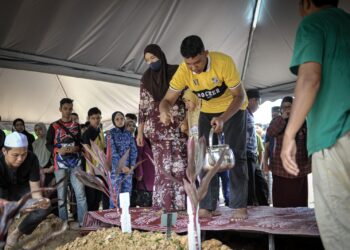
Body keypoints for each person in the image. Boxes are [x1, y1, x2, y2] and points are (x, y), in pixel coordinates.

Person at [281, 0, 350, 249]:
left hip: (334, 135)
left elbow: (310, 78)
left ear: (306, 3)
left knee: (340, 229)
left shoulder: (313, 23)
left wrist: (289, 134)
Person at [159, 35, 248, 219]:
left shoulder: (223, 62)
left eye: (197, 62)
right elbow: (167, 100)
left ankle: (239, 206)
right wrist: (164, 110)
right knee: (204, 157)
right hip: (207, 111)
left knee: (236, 154)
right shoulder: (185, 70)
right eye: (189, 64)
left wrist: (223, 118)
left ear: (205, 53)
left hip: (234, 108)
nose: (194, 68)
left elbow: (239, 96)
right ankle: (207, 205)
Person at [137, 44, 187, 212]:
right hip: (155, 130)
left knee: (179, 165)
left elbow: (188, 98)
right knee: (162, 167)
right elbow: (143, 107)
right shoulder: (146, 78)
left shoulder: (176, 72)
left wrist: (187, 120)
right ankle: (163, 205)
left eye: (153, 58)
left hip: (176, 127)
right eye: (147, 60)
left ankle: (181, 205)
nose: (151, 62)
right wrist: (140, 131)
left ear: (161, 55)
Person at [0, 132, 50, 249]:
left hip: (22, 190)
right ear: (4, 151)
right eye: (15, 155)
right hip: (2, 193)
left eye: (24, 154)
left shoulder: (32, 158)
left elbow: (35, 190)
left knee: (44, 208)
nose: (20, 159)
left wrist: (41, 201)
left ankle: (16, 234)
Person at [46, 98, 87, 226]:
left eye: (70, 109)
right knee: (61, 196)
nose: (68, 111)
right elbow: (48, 144)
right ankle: (63, 225)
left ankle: (83, 222)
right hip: (60, 164)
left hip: (76, 163)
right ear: (60, 109)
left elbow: (81, 144)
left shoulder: (76, 126)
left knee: (80, 194)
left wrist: (77, 148)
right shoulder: (53, 126)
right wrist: (58, 150)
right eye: (65, 109)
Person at [267, 96, 311, 207]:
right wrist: (283, 118)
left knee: (299, 202)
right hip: (280, 169)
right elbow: (271, 132)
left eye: (289, 106)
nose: (287, 109)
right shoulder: (277, 120)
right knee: (281, 203)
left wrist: (309, 162)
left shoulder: (302, 121)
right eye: (284, 107)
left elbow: (309, 140)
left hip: (299, 168)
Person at [107, 111, 137, 208]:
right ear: (113, 121)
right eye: (117, 119)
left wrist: (132, 166)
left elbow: (133, 150)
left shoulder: (129, 134)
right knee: (115, 196)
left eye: (121, 118)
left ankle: (125, 219)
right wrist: (121, 166)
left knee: (126, 194)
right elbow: (113, 152)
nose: (120, 121)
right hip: (116, 170)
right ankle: (114, 220)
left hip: (128, 169)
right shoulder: (110, 134)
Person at [82, 107, 109, 211]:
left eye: (98, 117)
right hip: (91, 168)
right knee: (91, 196)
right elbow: (87, 153)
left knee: (98, 195)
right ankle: (91, 218)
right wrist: (92, 170)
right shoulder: (87, 133)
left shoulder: (100, 131)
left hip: (101, 168)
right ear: (89, 119)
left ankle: (97, 216)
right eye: (93, 118)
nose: (96, 120)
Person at [246, 89, 268, 206]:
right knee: (250, 186)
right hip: (245, 154)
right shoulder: (243, 112)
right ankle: (250, 208)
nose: (259, 106)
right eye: (258, 102)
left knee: (260, 184)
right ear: (252, 100)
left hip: (252, 154)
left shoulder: (249, 114)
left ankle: (263, 207)